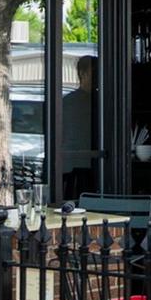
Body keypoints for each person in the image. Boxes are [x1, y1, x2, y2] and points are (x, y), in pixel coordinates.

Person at [61, 54, 97, 201]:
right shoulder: (69, 102)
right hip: (75, 164)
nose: (98, 77)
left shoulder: (102, 100)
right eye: (94, 72)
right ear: (82, 74)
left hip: (93, 163)